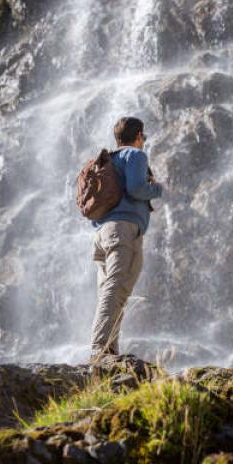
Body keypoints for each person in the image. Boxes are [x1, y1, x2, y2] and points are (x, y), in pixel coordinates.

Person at [90, 117, 163, 364]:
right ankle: (100, 351)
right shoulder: (136, 155)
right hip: (123, 231)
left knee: (109, 291)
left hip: (102, 234)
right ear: (139, 135)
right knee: (116, 289)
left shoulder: (108, 159)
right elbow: (136, 188)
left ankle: (108, 351)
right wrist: (158, 189)